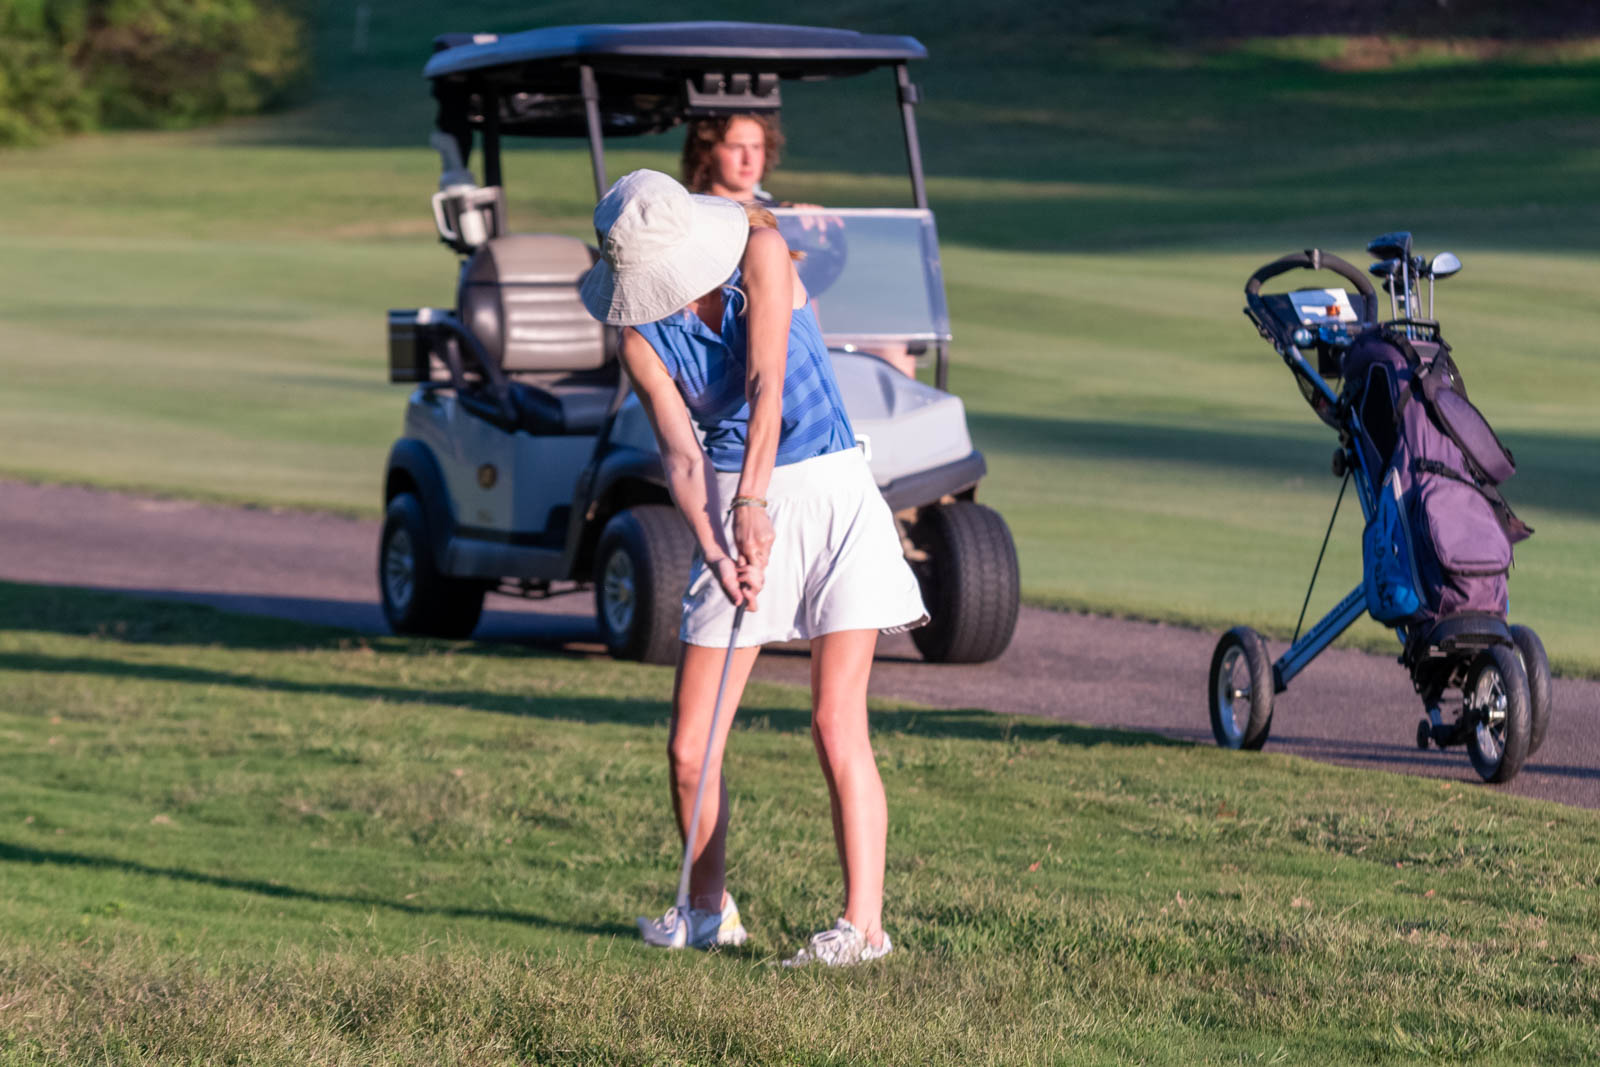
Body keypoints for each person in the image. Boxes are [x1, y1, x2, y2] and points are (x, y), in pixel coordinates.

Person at [578, 169, 927, 967]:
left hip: (828, 489)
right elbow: (681, 454)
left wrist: (752, 502)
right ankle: (707, 911)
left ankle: (863, 928)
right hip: (734, 505)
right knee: (689, 747)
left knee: (835, 720)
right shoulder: (639, 338)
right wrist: (714, 545)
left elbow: (767, 387)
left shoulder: (760, 255)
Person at [682, 114, 918, 378]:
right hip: (734, 332)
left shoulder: (790, 215)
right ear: (707, 152)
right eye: (736, 147)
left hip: (803, 329)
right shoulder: (693, 214)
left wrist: (814, 227)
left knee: (895, 352)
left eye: (756, 147)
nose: (748, 159)